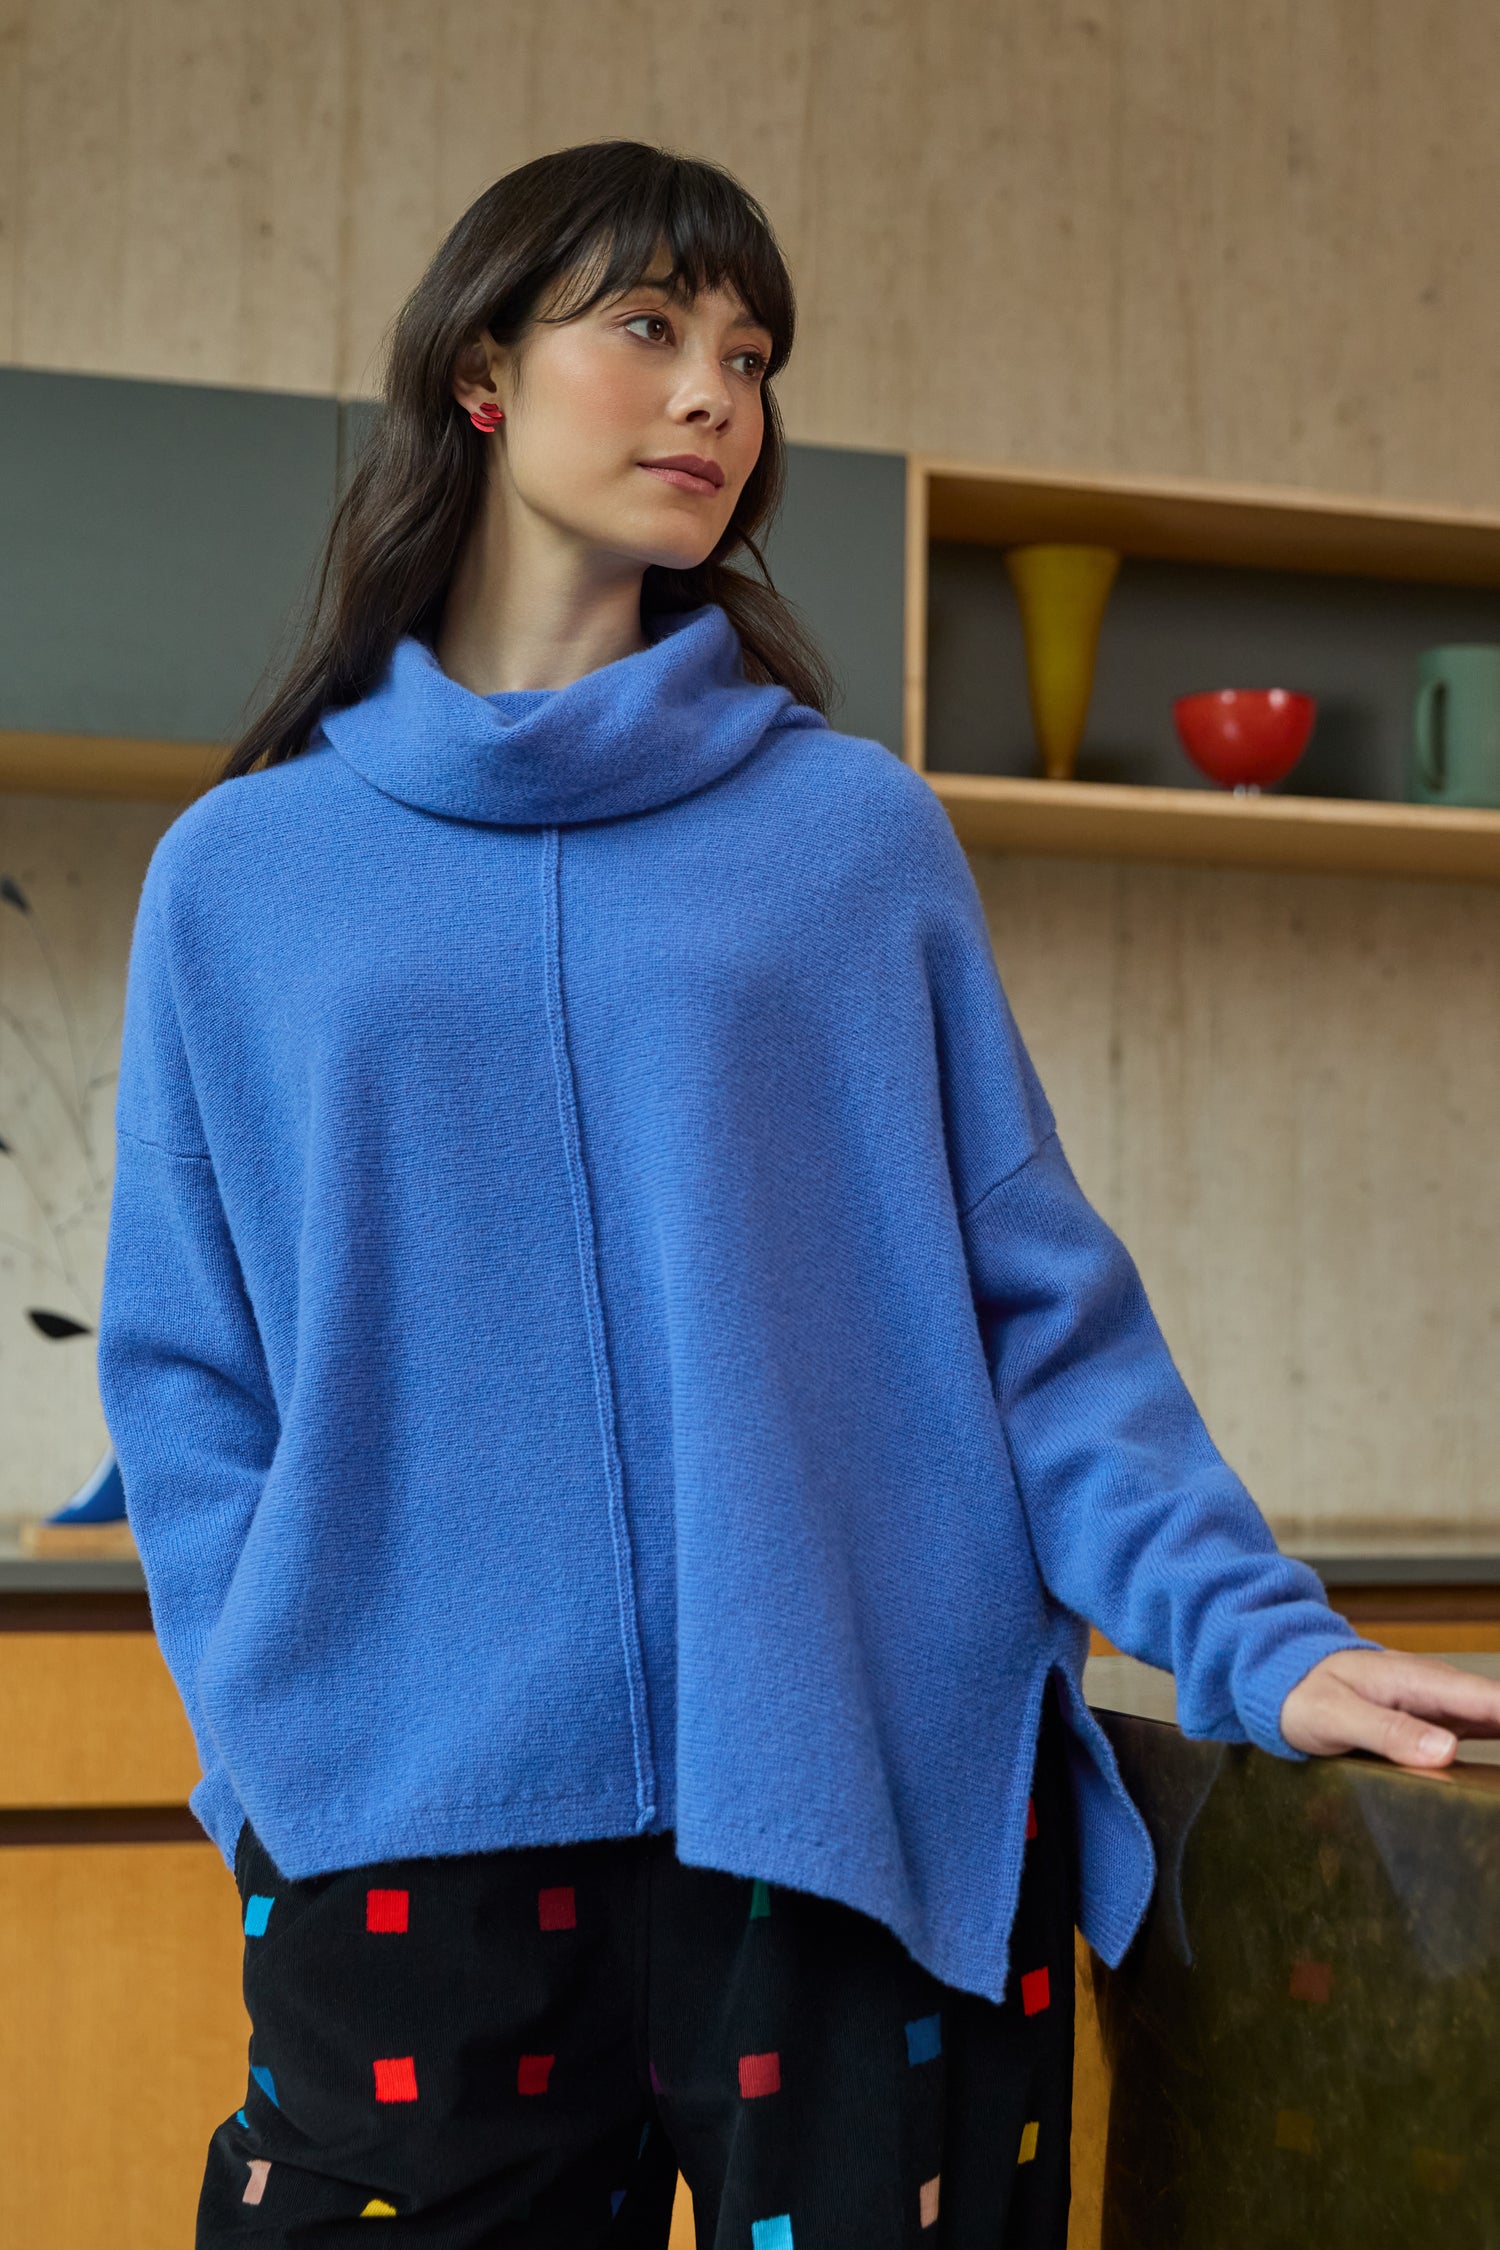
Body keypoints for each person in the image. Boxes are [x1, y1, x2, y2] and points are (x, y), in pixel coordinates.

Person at [95, 140, 1500, 2250]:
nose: (711, 399)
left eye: (748, 355)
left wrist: (1246, 1632)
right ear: (480, 373)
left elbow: (1040, 1317)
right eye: (647, 330)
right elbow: (187, 1366)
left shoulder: (850, 840)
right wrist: (270, 1731)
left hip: (845, 1805)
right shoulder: (245, 876)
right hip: (405, 1822)